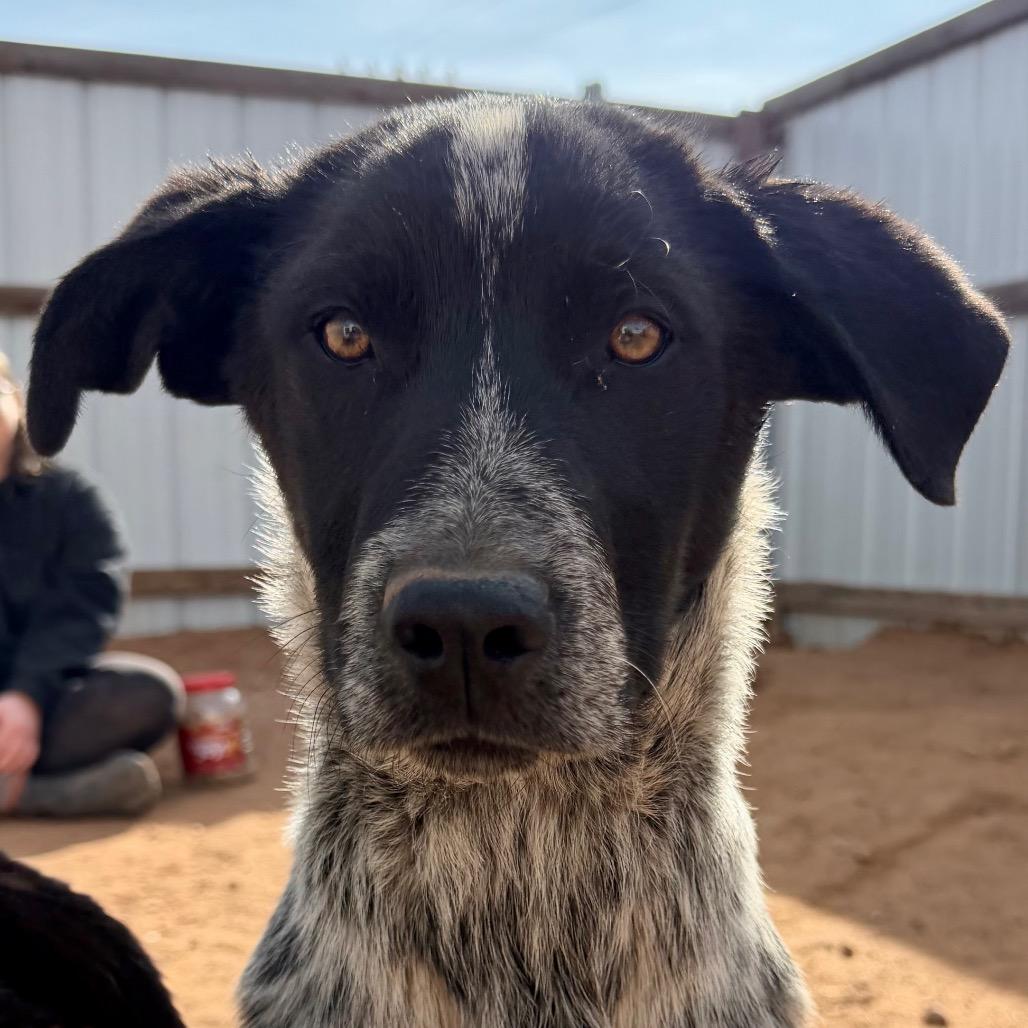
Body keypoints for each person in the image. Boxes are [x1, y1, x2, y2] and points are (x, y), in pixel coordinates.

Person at [0, 352, 184, 817]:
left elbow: (85, 605)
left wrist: (25, 697)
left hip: (45, 702)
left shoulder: (73, 500)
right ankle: (29, 796)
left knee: (148, 693)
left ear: (16, 402)